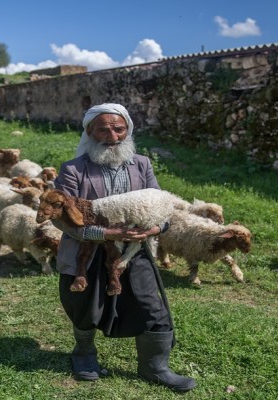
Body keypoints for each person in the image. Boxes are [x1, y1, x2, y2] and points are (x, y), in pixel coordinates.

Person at [52, 103, 196, 392]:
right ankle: (84, 354)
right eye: (103, 129)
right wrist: (104, 232)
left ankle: (155, 367)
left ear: (128, 130)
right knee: (85, 307)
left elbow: (162, 205)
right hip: (88, 253)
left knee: (151, 306)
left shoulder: (142, 165)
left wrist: (156, 228)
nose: (112, 136)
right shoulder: (73, 170)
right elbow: (60, 217)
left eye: (119, 128)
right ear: (89, 131)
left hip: (134, 253)